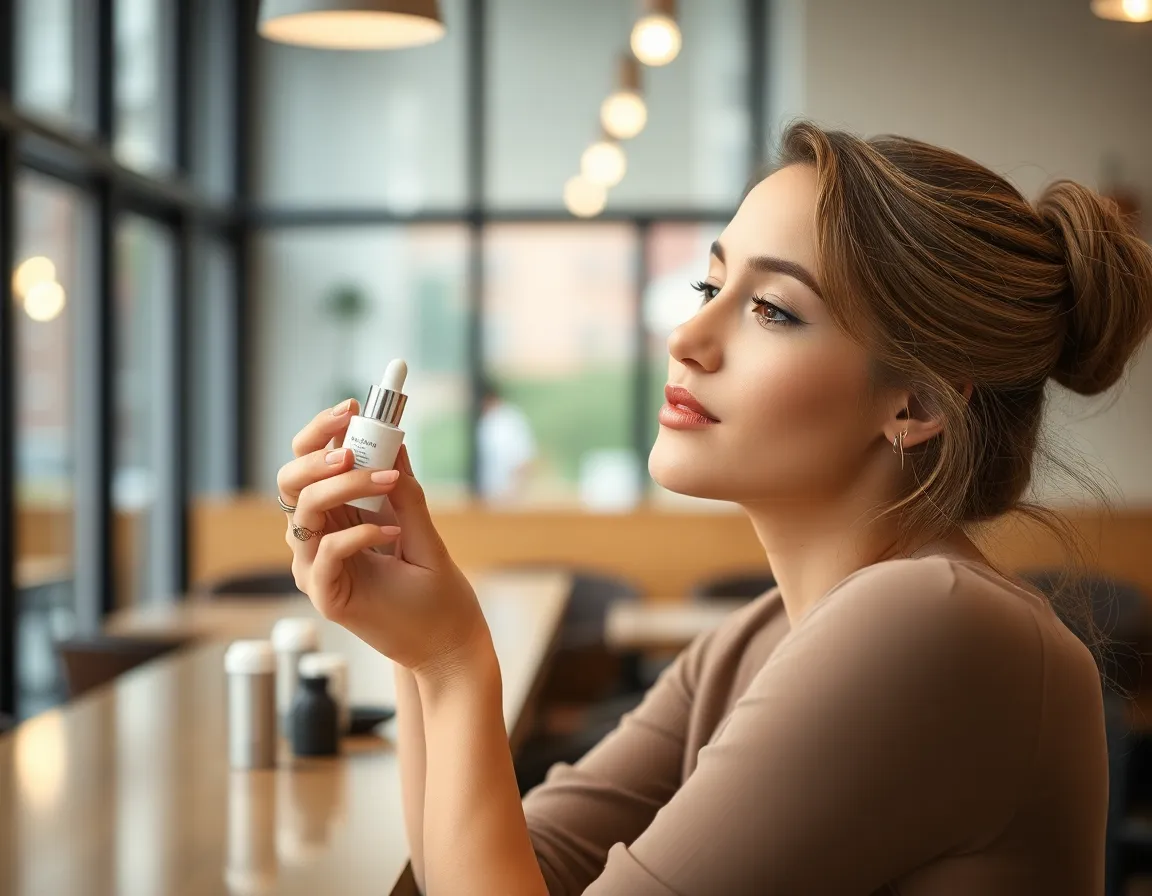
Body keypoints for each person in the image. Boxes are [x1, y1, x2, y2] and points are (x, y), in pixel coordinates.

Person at [275, 120, 1152, 894]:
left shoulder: (935, 622)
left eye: (771, 310)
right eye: (709, 288)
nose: (687, 338)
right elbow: (492, 872)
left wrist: (455, 661)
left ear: (916, 405)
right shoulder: (758, 636)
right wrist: (416, 643)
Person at [476, 376, 538, 504]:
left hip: (510, 499)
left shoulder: (511, 421)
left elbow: (525, 461)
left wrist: (513, 492)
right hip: (488, 498)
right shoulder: (485, 423)